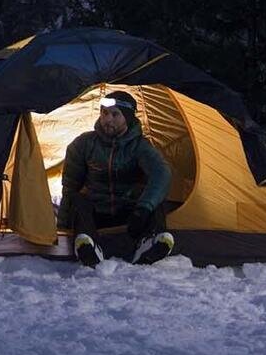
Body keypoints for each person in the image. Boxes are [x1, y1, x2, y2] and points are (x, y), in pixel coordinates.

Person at [56, 91, 177, 268]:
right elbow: (70, 187)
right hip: (98, 212)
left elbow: (162, 173)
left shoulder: (140, 146)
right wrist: (62, 228)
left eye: (115, 114)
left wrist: (143, 209)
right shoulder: (84, 144)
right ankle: (88, 245)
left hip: (129, 215)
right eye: (104, 113)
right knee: (78, 200)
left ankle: (149, 243)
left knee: (155, 201)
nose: (108, 119)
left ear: (127, 118)